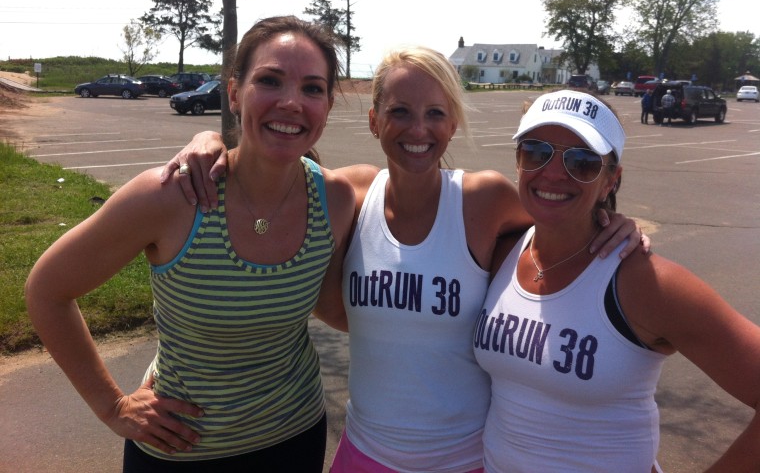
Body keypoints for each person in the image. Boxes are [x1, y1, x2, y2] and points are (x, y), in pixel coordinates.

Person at [163, 48, 647, 472]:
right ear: (374, 120)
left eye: (435, 113)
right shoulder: (348, 192)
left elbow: (564, 216)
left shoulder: (485, 200)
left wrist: (615, 219)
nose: (419, 129)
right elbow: (267, 175)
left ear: (452, 124)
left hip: (468, 459)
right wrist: (208, 143)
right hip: (367, 452)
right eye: (400, 111)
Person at [24, 15, 356, 472]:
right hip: (179, 450)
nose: (292, 101)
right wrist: (112, 407)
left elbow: (335, 304)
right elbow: (47, 290)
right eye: (270, 80)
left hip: (295, 436)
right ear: (235, 92)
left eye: (313, 88)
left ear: (328, 105)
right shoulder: (171, 196)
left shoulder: (334, 200)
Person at [474, 90, 760, 472]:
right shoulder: (500, 252)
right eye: (537, 151)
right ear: (518, 162)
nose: (555, 173)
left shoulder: (644, 282)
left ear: (611, 180)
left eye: (583, 161)